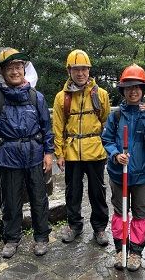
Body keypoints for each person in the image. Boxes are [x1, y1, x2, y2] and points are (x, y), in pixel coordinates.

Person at [0, 47, 54, 258]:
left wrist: (49, 153)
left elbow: (46, 128)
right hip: (8, 156)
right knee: (10, 200)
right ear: (2, 72)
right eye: (9, 68)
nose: (15, 71)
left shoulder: (36, 97)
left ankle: (41, 237)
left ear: (24, 69)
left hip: (34, 154)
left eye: (18, 67)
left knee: (39, 198)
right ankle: (11, 239)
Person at [101, 64, 145, 271]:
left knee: (141, 212)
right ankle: (121, 248)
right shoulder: (116, 115)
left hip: (143, 174)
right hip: (118, 173)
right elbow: (107, 138)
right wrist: (116, 154)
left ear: (143, 90)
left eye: (137, 87)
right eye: (128, 87)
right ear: (123, 91)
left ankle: (135, 252)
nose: (133, 91)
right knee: (120, 212)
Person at [52, 49, 111, 246]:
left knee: (98, 192)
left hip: (95, 151)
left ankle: (100, 228)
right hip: (71, 153)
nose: (80, 73)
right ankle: (74, 225)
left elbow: (107, 124)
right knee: (72, 192)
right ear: (69, 71)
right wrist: (59, 154)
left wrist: (108, 149)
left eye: (84, 69)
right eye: (76, 69)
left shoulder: (101, 95)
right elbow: (58, 126)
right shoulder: (62, 97)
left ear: (89, 71)